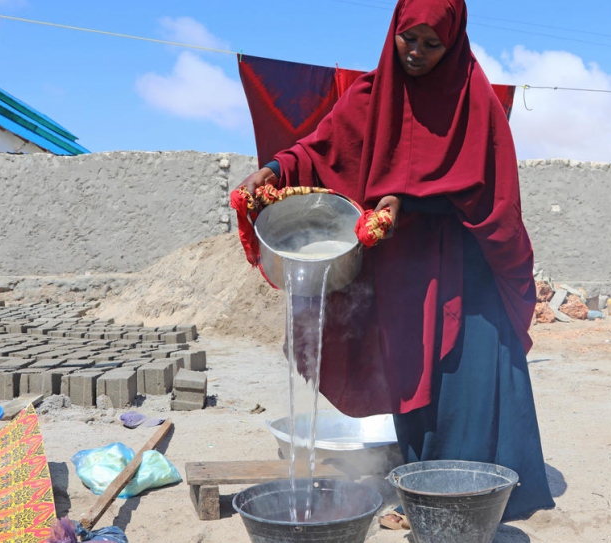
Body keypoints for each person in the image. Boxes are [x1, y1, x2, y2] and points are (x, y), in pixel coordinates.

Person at [236, 0, 555, 521]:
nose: (418, 54)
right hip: (402, 272)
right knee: (411, 373)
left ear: (452, 43)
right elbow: (322, 149)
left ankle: (468, 500)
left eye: (434, 45)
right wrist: (274, 168)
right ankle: (421, 487)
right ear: (394, 34)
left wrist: (416, 201)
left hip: (462, 270)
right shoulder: (373, 95)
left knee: (463, 382)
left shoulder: (472, 100)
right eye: (411, 40)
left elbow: (490, 193)